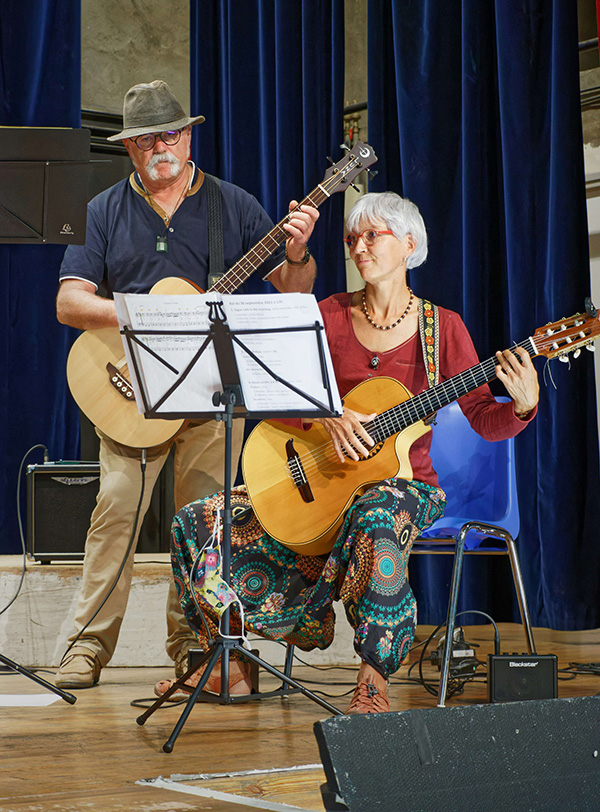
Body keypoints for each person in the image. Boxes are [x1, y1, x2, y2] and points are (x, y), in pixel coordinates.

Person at [160, 190, 540, 713]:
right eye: (352, 239)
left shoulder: (442, 328)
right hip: (319, 481)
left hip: (407, 487)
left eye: (372, 235)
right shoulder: (327, 315)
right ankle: (229, 660)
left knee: (376, 512)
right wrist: (325, 416)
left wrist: (522, 407)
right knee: (197, 519)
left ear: (410, 244)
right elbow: (272, 398)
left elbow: (484, 419)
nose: (358, 247)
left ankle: (373, 676)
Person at [54, 79, 319, 689]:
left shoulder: (234, 204)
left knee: (203, 525)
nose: (159, 147)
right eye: (145, 140)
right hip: (132, 396)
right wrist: (148, 315)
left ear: (190, 134)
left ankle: (194, 650)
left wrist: (299, 251)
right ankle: (85, 649)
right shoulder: (104, 210)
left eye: (169, 133)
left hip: (211, 400)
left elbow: (295, 291)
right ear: (129, 149)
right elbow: (70, 302)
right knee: (115, 511)